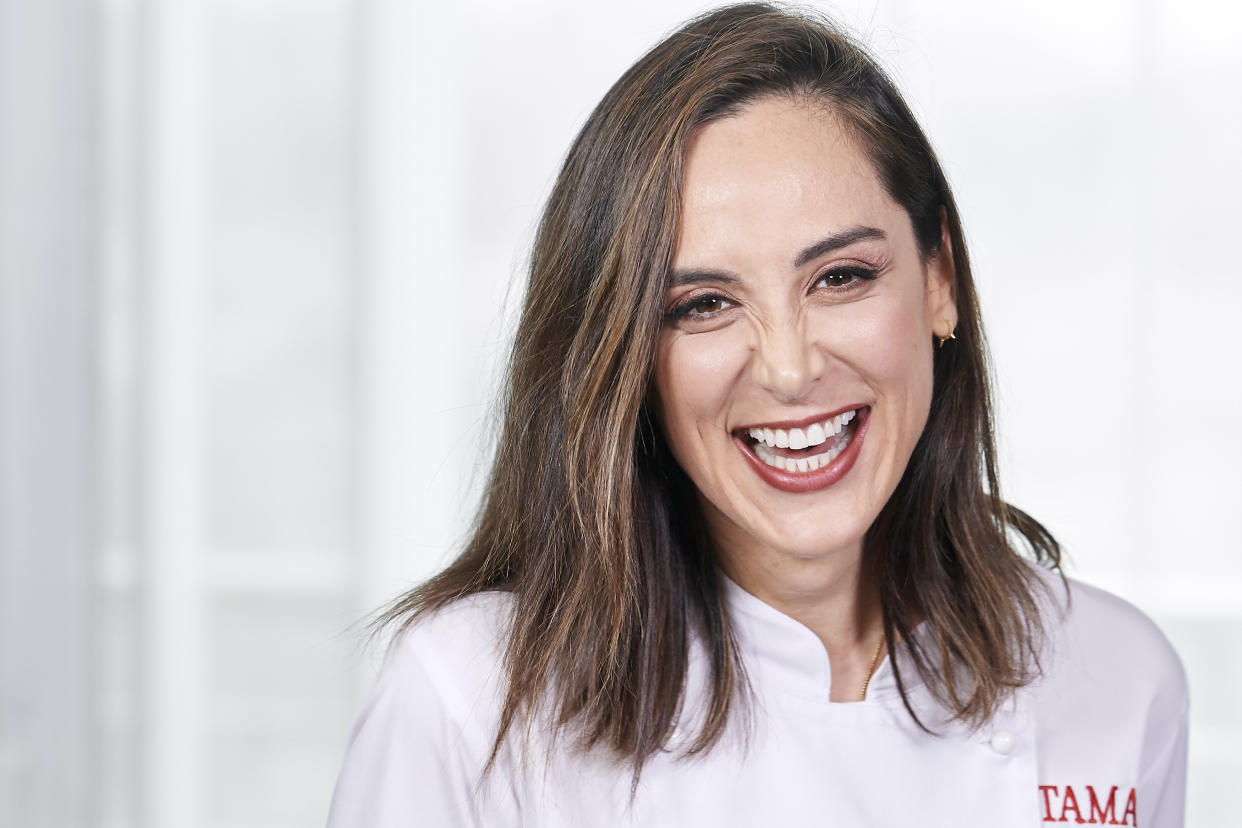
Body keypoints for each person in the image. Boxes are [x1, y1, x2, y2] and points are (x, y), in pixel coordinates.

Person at [326, 3, 1189, 825]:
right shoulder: (475, 701)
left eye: (841, 277)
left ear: (939, 281)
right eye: (702, 303)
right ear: (625, 353)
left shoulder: (1116, 680)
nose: (787, 368)